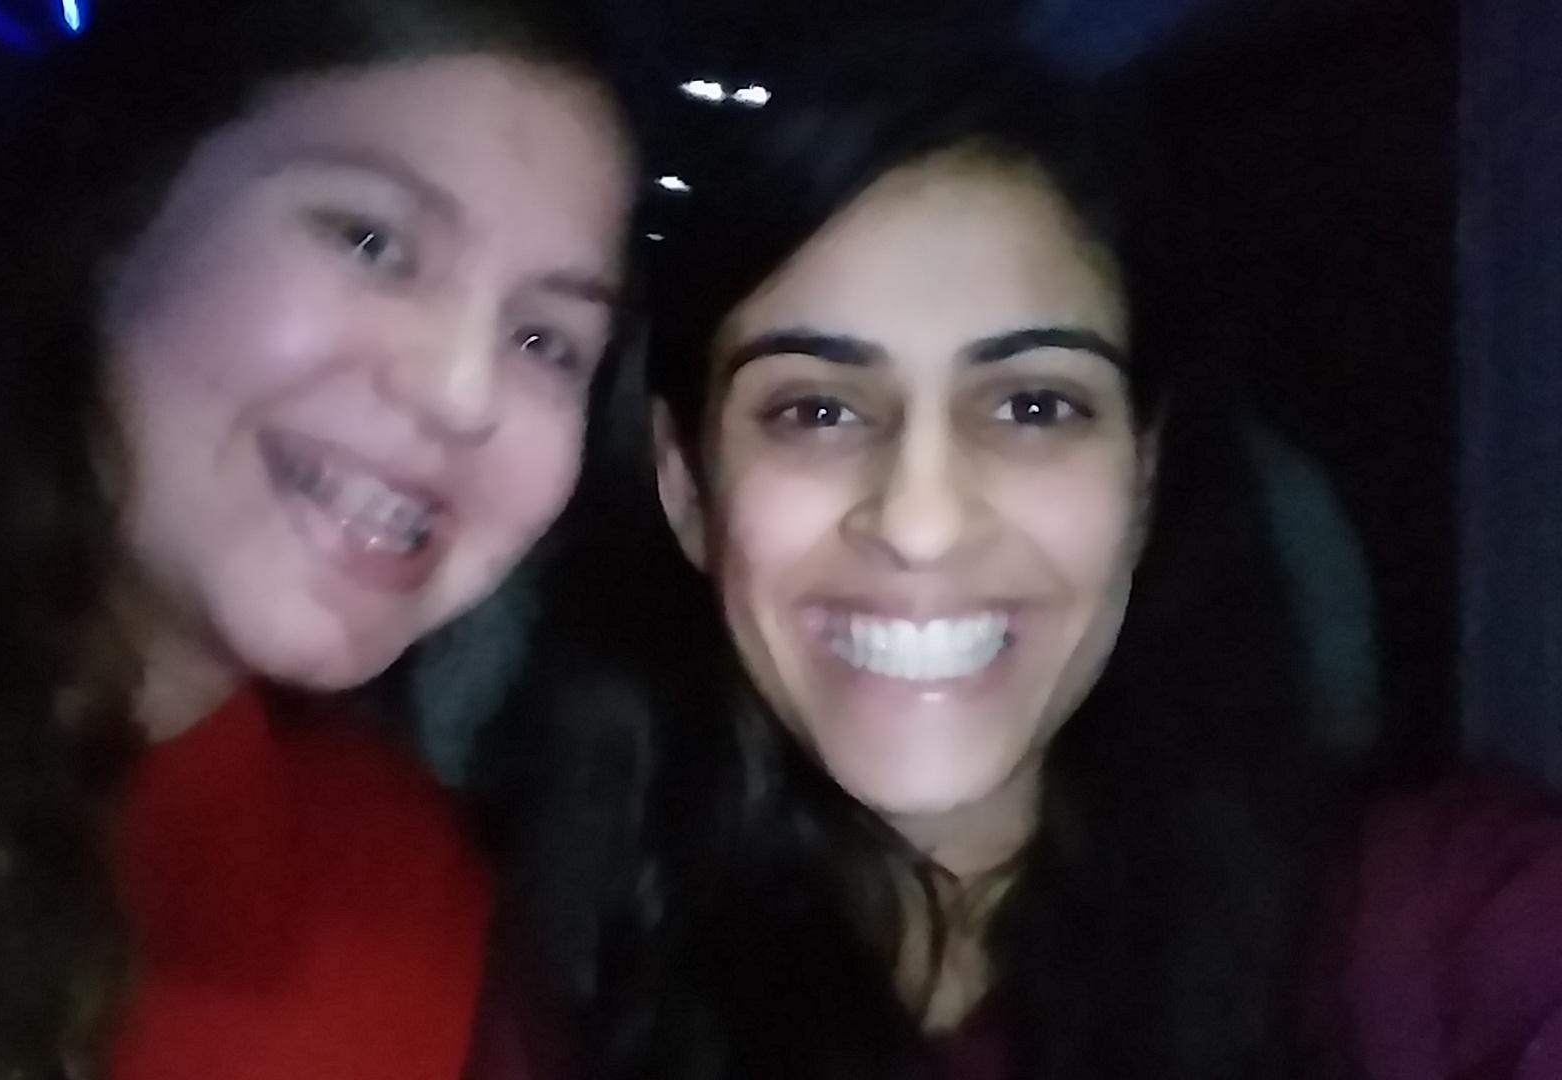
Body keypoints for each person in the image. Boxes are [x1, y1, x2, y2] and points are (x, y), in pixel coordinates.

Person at [490, 42, 1562, 1080]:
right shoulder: (514, 981)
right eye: (816, 410)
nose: (921, 522)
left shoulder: (1436, 938)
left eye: (1034, 406)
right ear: (688, 490)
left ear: (1143, 478)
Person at [0, 2, 637, 1079]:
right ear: (114, 220)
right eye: (371, 242)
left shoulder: (421, 920)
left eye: (546, 340)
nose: (462, 394)